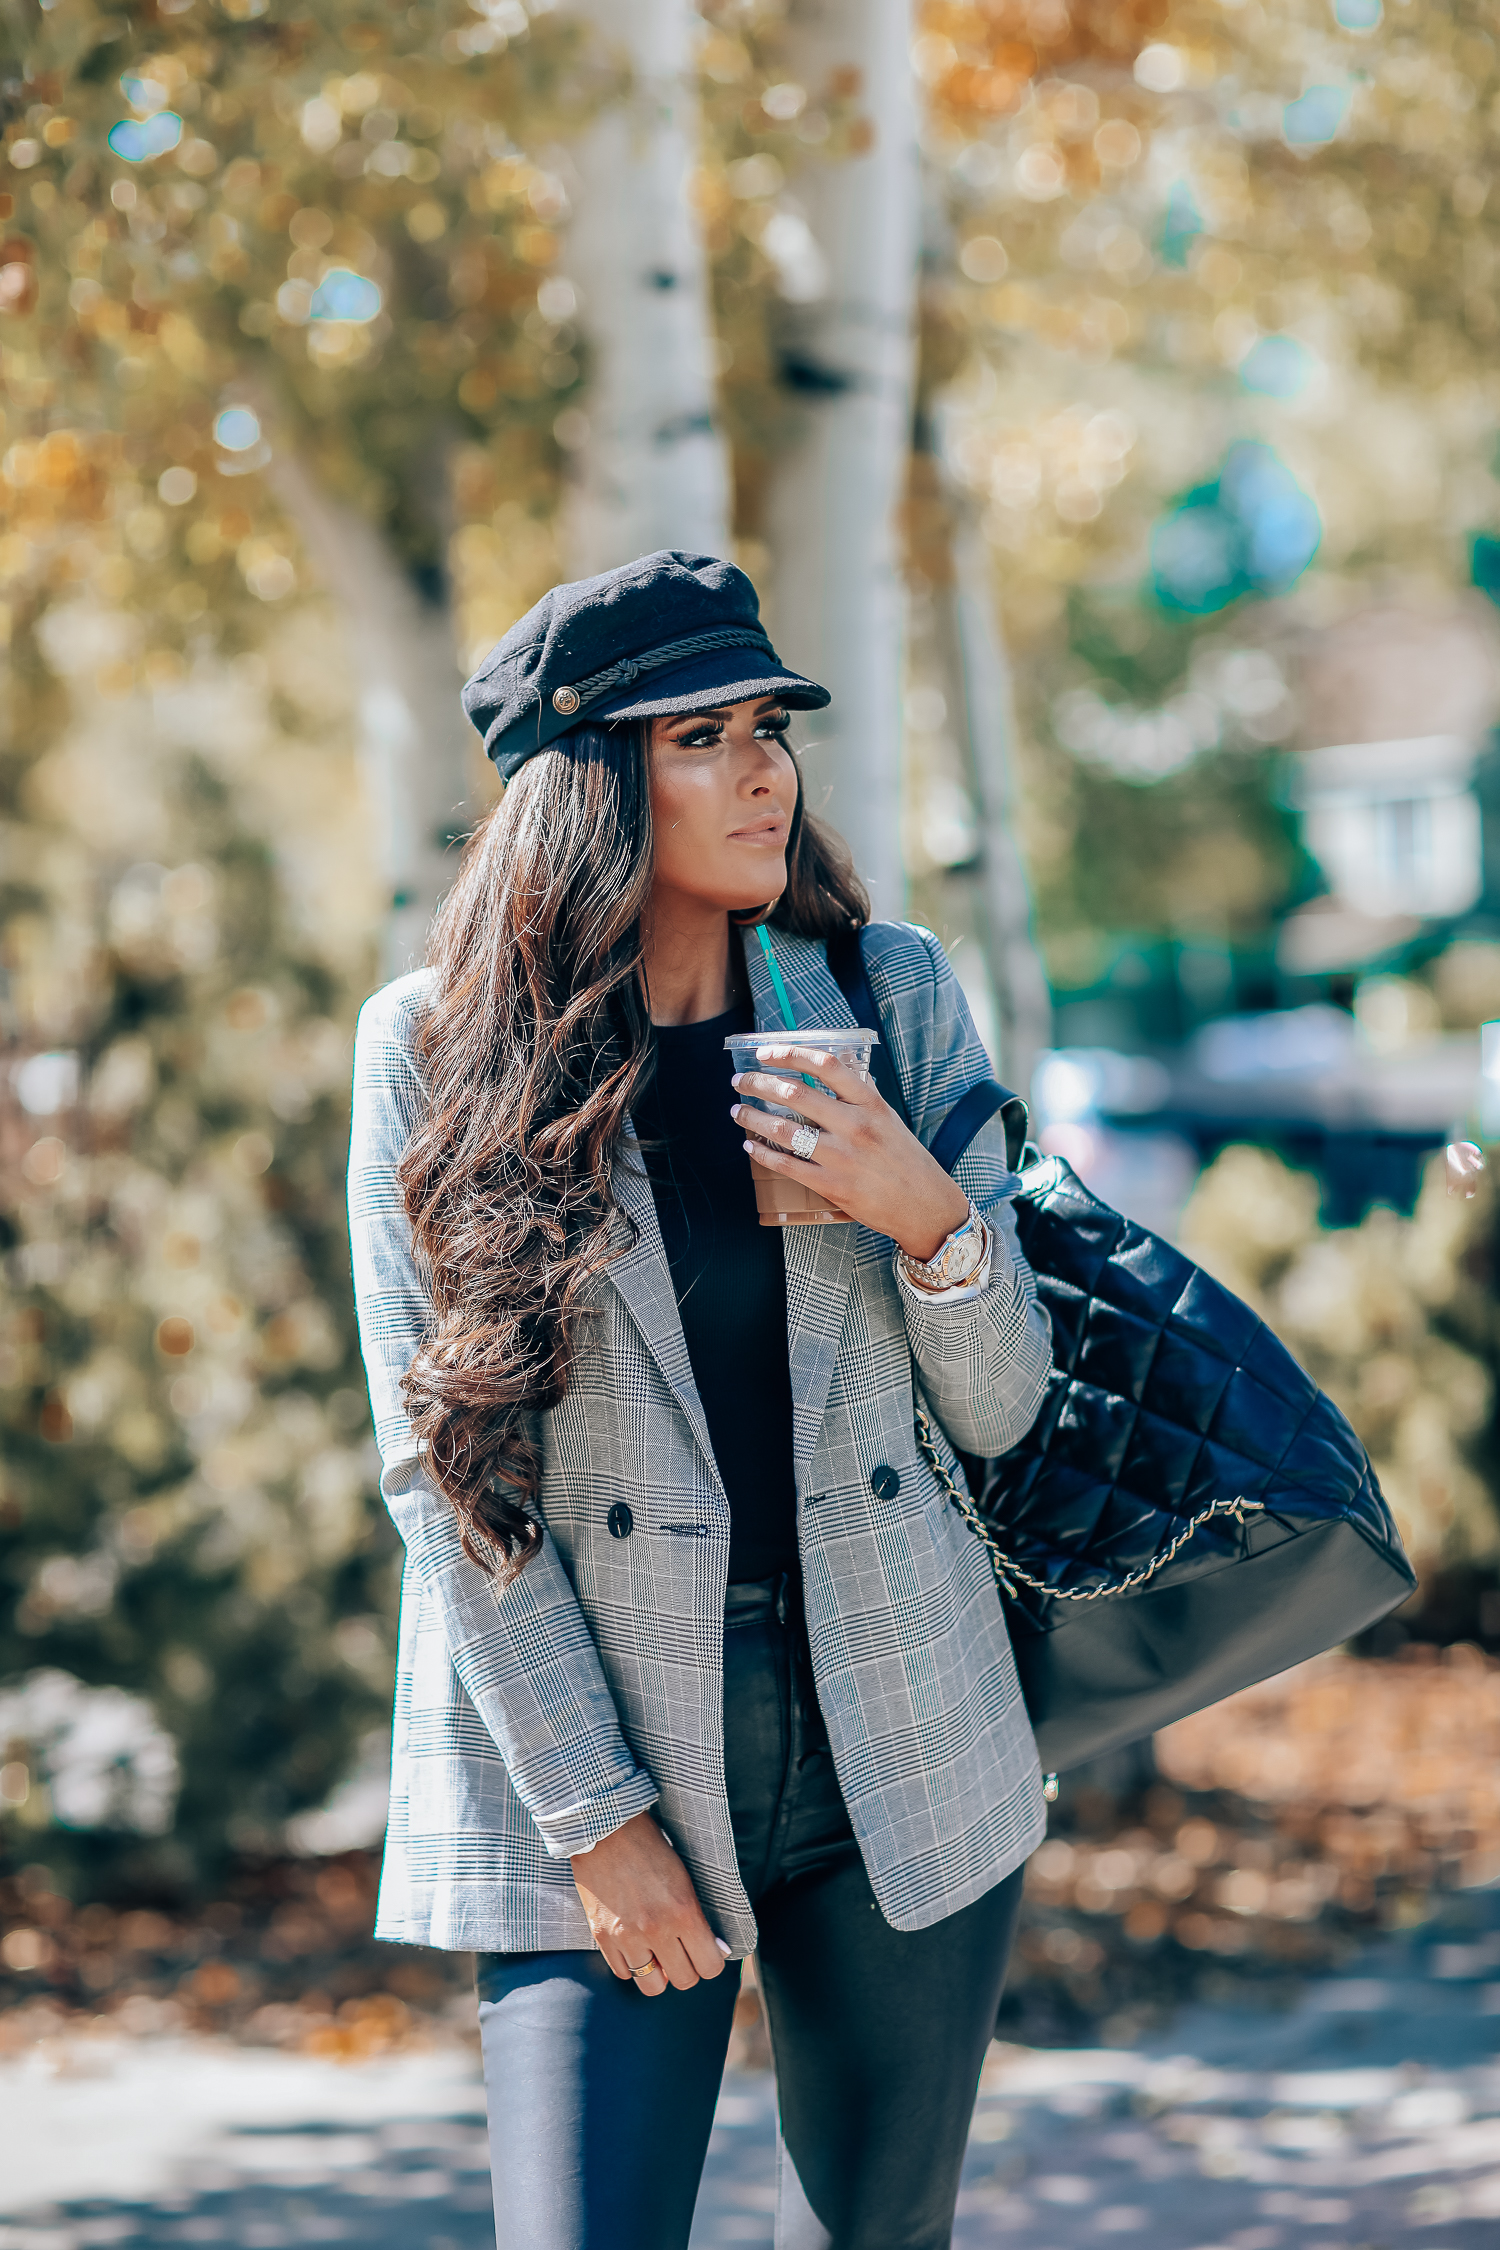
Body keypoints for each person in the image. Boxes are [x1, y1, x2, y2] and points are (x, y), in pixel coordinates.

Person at [348, 551, 1054, 2250]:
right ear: (593, 782)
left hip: (891, 1714)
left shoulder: (880, 994)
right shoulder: (437, 1053)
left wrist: (924, 1211)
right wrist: (600, 1819)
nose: (763, 772)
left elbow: (1006, 1407)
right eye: (703, 737)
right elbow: (448, 1482)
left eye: (771, 730)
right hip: (590, 1732)